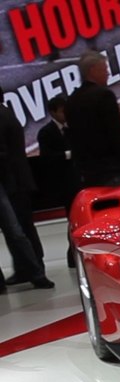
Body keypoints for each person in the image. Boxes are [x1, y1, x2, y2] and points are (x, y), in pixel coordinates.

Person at [0, 95, 53, 289]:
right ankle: (31, 269)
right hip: (15, 180)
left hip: (10, 182)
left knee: (18, 230)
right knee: (21, 228)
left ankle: (33, 270)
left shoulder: (2, 116)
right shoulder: (7, 113)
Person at [66, 51, 120, 188]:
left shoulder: (72, 100)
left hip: (87, 172)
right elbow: (117, 134)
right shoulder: (104, 96)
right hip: (111, 170)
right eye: (105, 69)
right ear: (92, 70)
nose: (108, 73)